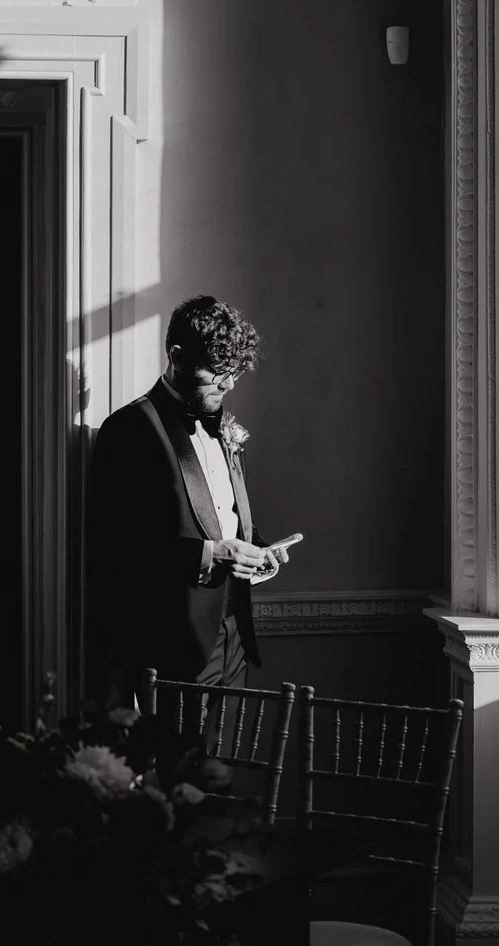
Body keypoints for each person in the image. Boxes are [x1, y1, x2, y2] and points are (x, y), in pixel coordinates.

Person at [87, 295, 294, 714]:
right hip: (171, 642)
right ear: (177, 357)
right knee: (180, 770)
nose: (228, 384)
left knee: (222, 774)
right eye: (217, 372)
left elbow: (225, 519)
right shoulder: (128, 429)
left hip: (235, 634)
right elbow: (113, 544)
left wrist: (258, 551)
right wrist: (210, 555)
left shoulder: (225, 426)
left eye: (234, 372)